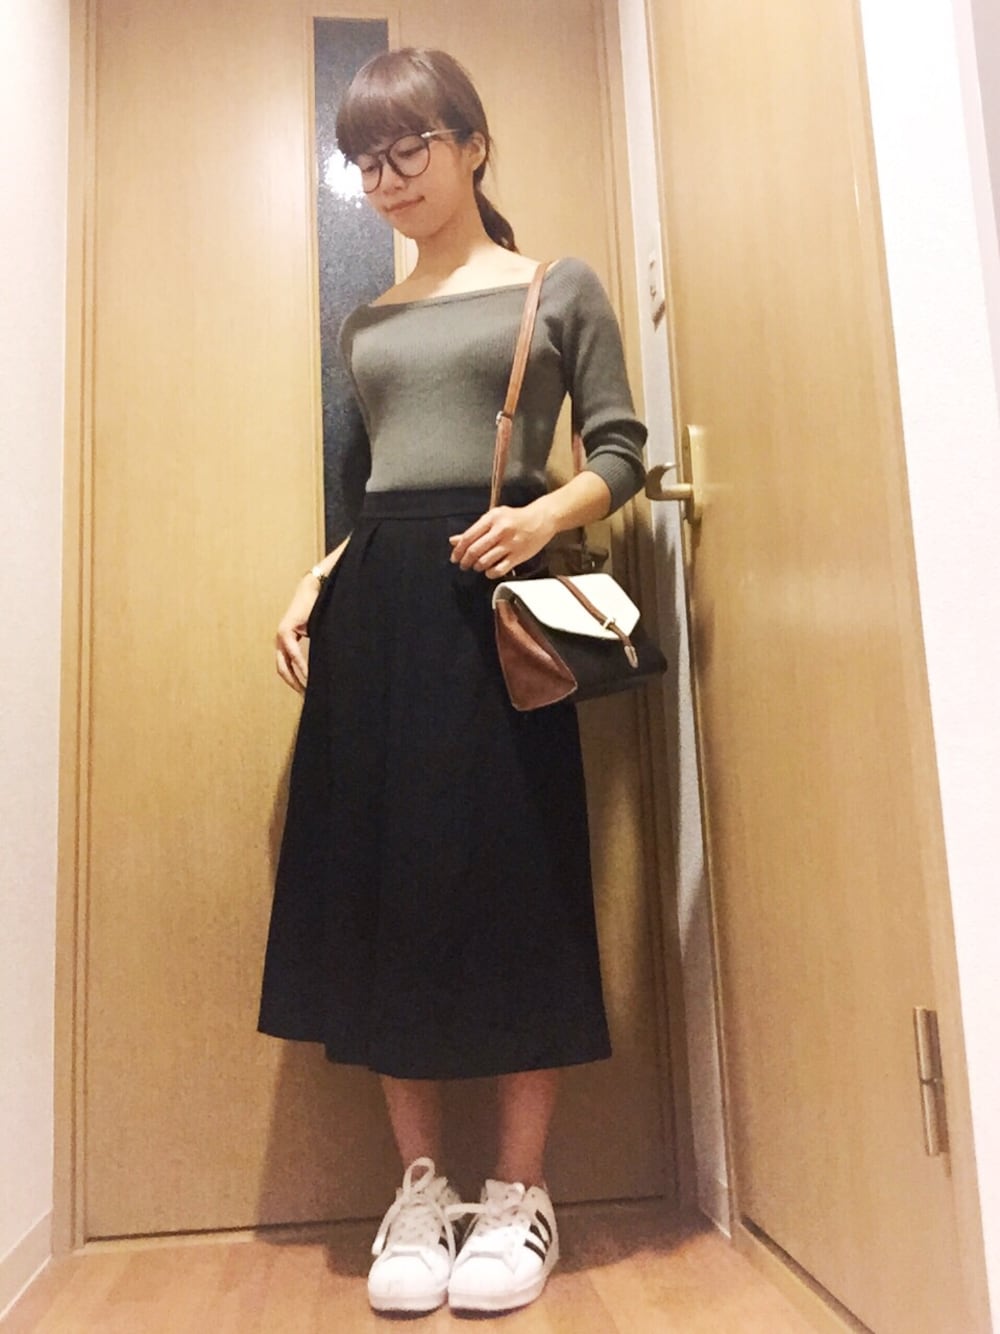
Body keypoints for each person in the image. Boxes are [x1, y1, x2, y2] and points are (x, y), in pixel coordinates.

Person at [256, 45, 647, 1317]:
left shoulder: (552, 285)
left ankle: (519, 1188)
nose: (386, 179)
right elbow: (372, 484)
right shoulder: (367, 322)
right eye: (364, 160)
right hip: (376, 611)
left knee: (521, 873)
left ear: (473, 144)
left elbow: (619, 452)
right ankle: (419, 1186)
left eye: (408, 148)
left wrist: (542, 517)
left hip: (495, 612)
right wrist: (317, 575)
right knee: (386, 879)